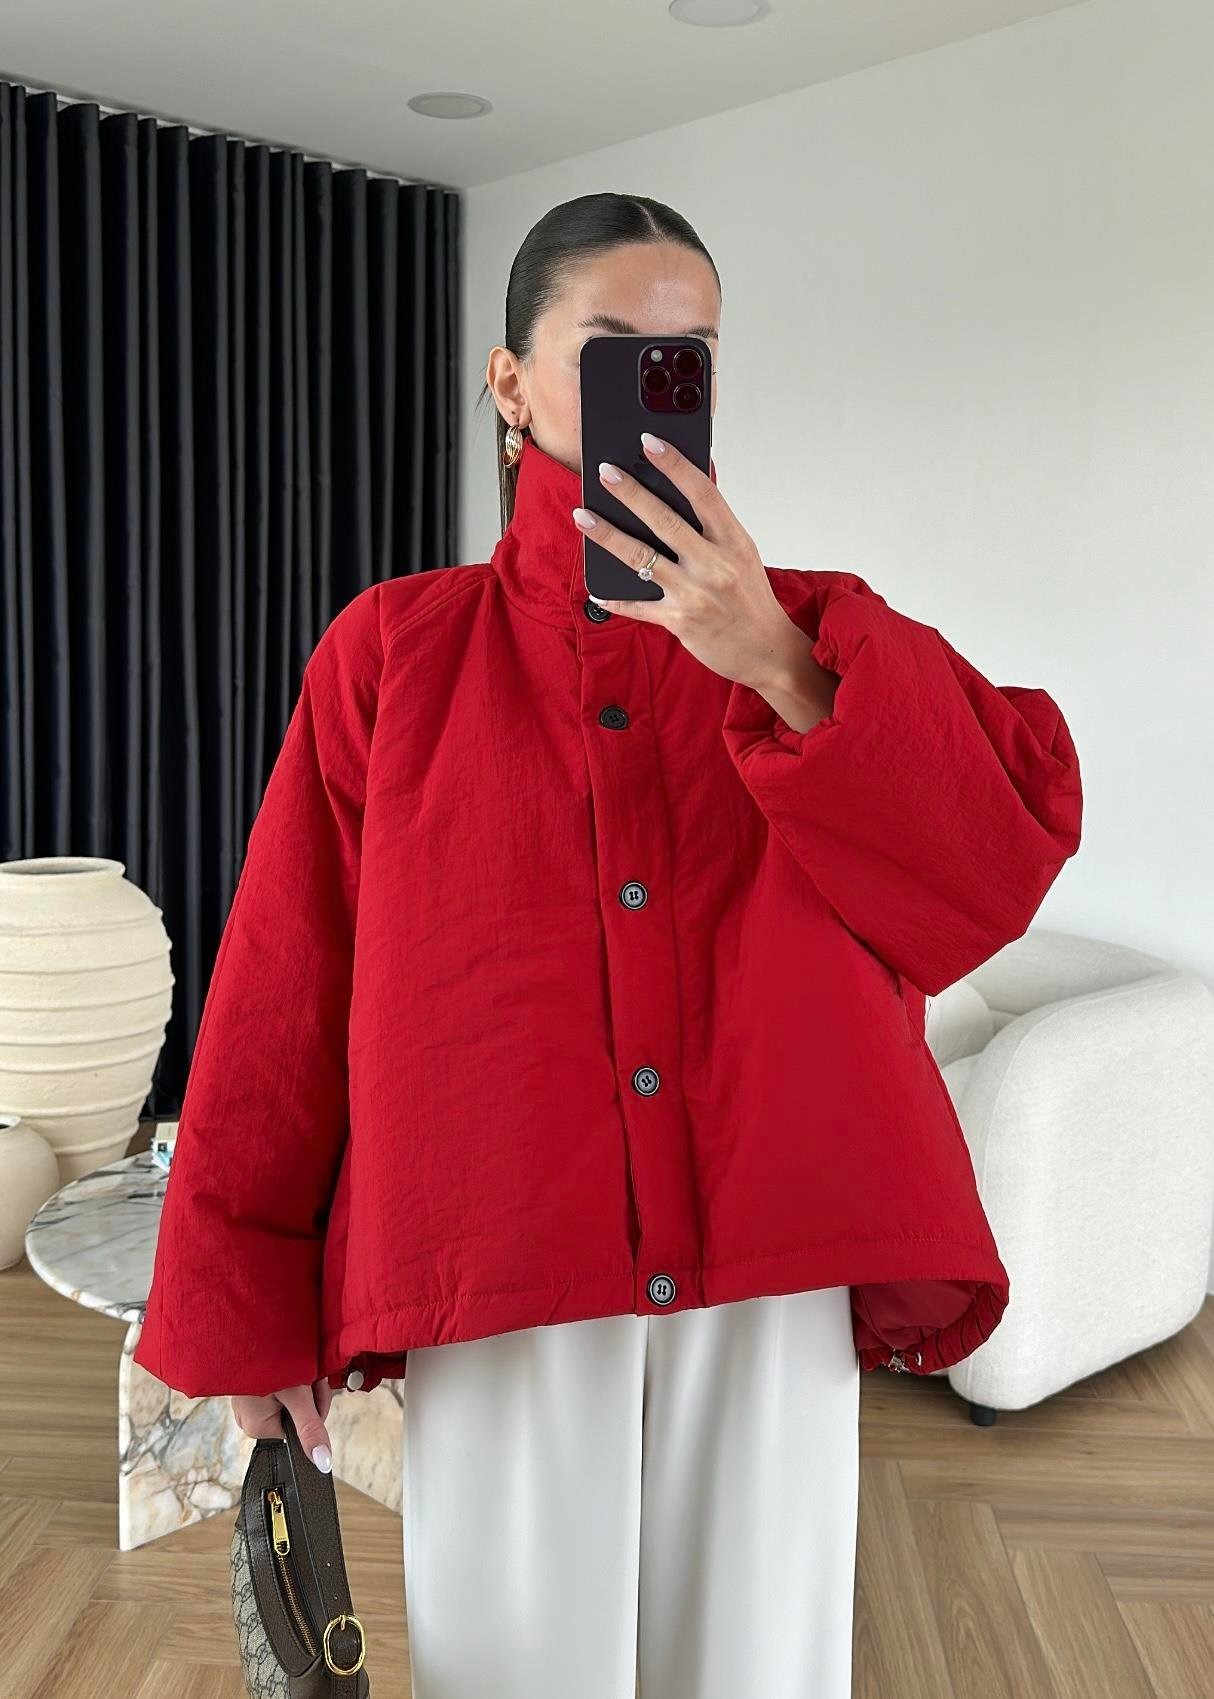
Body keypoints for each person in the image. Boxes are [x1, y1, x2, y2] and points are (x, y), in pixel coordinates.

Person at [134, 193, 1083, 1697]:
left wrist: (776, 661)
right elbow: (285, 991)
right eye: (613, 347)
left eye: (687, 356)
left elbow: (989, 873)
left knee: (758, 1668)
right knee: (517, 1668)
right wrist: (248, 1309)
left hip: (773, 1247)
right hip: (501, 1255)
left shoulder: (817, 634)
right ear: (510, 383)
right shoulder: (395, 654)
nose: (658, 382)